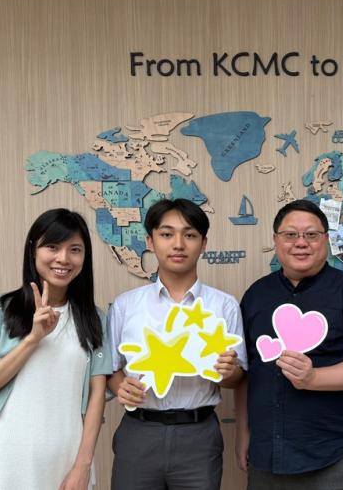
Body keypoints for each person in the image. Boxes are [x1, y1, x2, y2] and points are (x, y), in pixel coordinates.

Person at [236, 199, 343, 490]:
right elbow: (247, 371)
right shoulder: (256, 295)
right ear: (276, 240)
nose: (301, 243)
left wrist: (313, 377)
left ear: (326, 239)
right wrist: (243, 431)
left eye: (311, 235)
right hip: (267, 454)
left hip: (332, 453)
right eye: (290, 235)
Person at [0, 208, 111, 490]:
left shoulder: (95, 319)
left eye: (75, 250)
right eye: (52, 247)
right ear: (33, 250)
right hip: (9, 460)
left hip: (68, 461)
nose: (63, 259)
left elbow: (97, 396)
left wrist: (82, 466)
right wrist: (33, 339)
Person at [107, 198, 246, 490]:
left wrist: (228, 371)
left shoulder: (224, 306)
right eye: (167, 234)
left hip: (199, 435)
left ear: (203, 243)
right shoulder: (125, 305)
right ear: (150, 241)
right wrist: (121, 387)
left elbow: (237, 379)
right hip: (139, 431)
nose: (178, 244)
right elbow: (111, 370)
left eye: (190, 235)